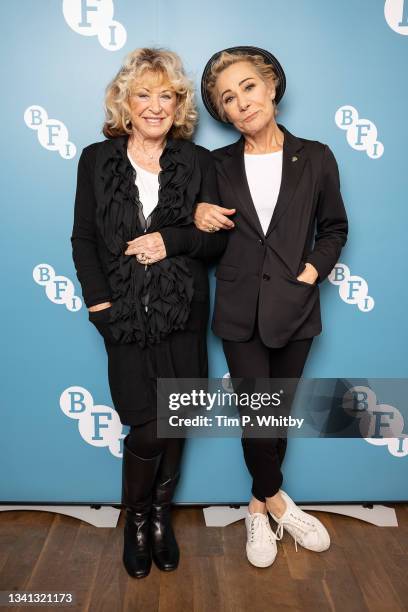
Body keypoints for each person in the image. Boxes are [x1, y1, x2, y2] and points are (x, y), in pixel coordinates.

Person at [70, 47, 227, 579]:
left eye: (167, 95)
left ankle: (161, 517)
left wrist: (172, 238)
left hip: (181, 313)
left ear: (179, 104)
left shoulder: (197, 162)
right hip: (123, 318)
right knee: (146, 424)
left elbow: (213, 245)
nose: (156, 106)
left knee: (176, 420)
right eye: (144, 94)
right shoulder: (96, 159)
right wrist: (100, 307)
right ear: (125, 101)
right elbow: (85, 238)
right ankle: (136, 520)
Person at [197, 46, 348, 567]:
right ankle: (280, 503)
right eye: (227, 98)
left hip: (297, 309)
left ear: (271, 87)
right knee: (256, 416)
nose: (241, 102)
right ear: (222, 113)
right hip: (239, 310)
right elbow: (202, 231)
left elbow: (334, 228)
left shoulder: (318, 156)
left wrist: (309, 273)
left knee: (276, 414)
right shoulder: (215, 165)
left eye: (248, 87)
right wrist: (198, 214)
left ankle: (257, 509)